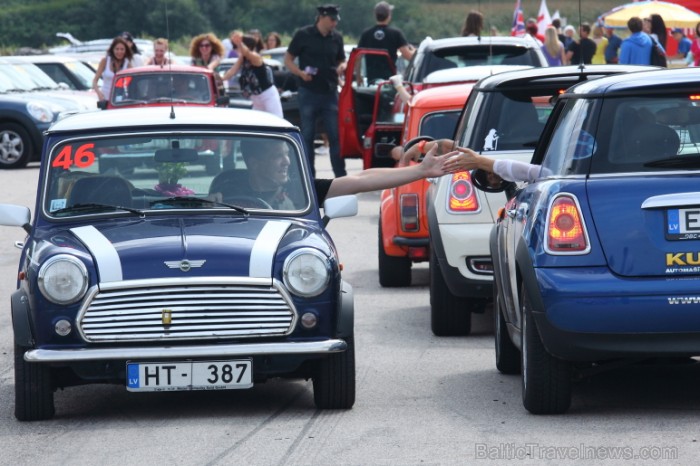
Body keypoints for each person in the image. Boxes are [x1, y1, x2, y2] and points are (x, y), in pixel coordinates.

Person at [225, 138, 454, 209]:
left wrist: (421, 170)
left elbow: (360, 180)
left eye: (287, 154)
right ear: (254, 163)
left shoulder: (299, 191)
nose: (286, 162)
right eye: (277, 156)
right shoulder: (227, 188)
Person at [285, 4, 347, 178]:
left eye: (336, 20)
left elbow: (342, 59)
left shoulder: (337, 38)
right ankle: (308, 177)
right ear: (322, 17)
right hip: (308, 91)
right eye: (332, 20)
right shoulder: (303, 34)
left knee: (335, 136)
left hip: (330, 92)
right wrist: (300, 73)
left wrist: (342, 67)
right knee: (307, 136)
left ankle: (340, 176)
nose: (335, 23)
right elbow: (288, 60)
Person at [221, 32, 283, 118]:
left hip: (267, 96)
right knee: (257, 124)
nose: (237, 49)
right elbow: (232, 71)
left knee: (277, 121)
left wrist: (240, 42)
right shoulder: (242, 59)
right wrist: (221, 78)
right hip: (255, 97)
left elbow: (248, 53)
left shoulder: (256, 57)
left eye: (238, 47)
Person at [357, 1, 415, 83]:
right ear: (389, 16)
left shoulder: (366, 34)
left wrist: (358, 76)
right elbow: (408, 56)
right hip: (389, 81)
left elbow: (358, 57)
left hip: (371, 81)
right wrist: (415, 52)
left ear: (375, 15)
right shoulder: (396, 33)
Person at [92, 36, 133, 101]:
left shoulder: (127, 64)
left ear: (125, 51)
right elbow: (94, 81)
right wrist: (99, 93)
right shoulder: (105, 61)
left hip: (120, 99)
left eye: (122, 49)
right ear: (112, 50)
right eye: (117, 49)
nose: (119, 52)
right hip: (105, 97)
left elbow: (132, 83)